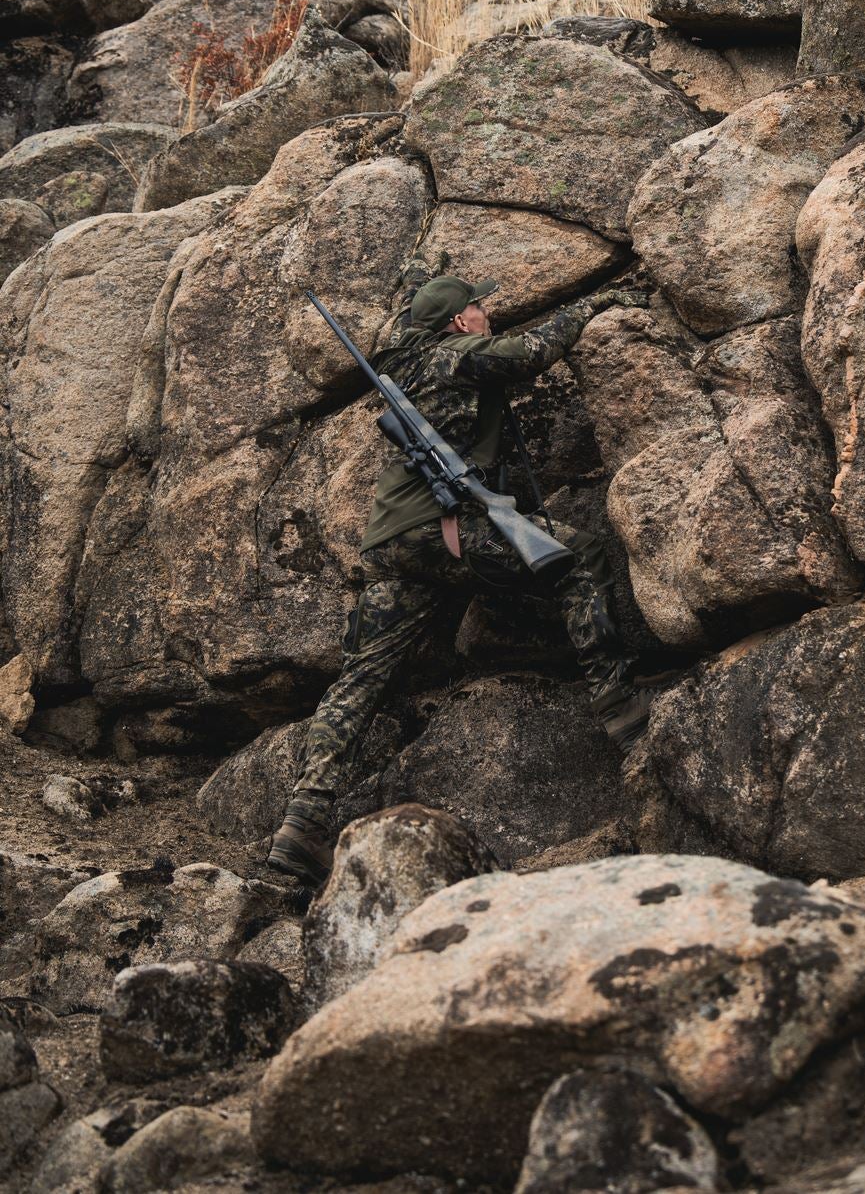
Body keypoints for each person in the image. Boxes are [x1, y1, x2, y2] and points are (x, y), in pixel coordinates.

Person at [268, 250, 654, 886]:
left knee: (361, 680)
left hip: (391, 540)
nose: (488, 311)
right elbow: (528, 353)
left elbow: (410, 324)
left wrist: (423, 278)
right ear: (456, 322)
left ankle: (302, 825)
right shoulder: (457, 355)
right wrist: (596, 304)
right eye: (478, 305)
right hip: (441, 530)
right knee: (579, 553)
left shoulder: (404, 360)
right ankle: (616, 701)